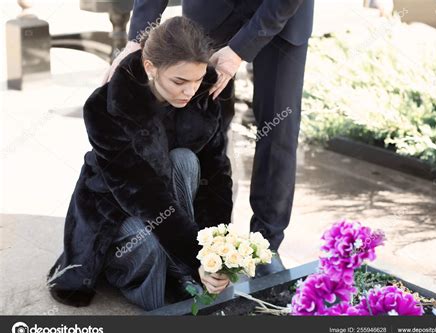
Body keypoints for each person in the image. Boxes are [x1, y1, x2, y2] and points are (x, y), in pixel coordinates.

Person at [106, 0, 314, 277]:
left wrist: (239, 50)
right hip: (211, 11)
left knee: (279, 129)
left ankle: (267, 246)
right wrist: (136, 39)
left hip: (283, 13)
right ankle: (208, 244)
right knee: (202, 128)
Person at [47, 17, 233, 311]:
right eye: (179, 81)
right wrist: (198, 256)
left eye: (197, 80)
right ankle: (151, 276)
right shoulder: (103, 107)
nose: (190, 91)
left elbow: (217, 177)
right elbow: (142, 195)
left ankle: (182, 272)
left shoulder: (206, 95)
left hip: (173, 213)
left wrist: (218, 252)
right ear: (150, 68)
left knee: (185, 159)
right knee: (147, 243)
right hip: (118, 213)